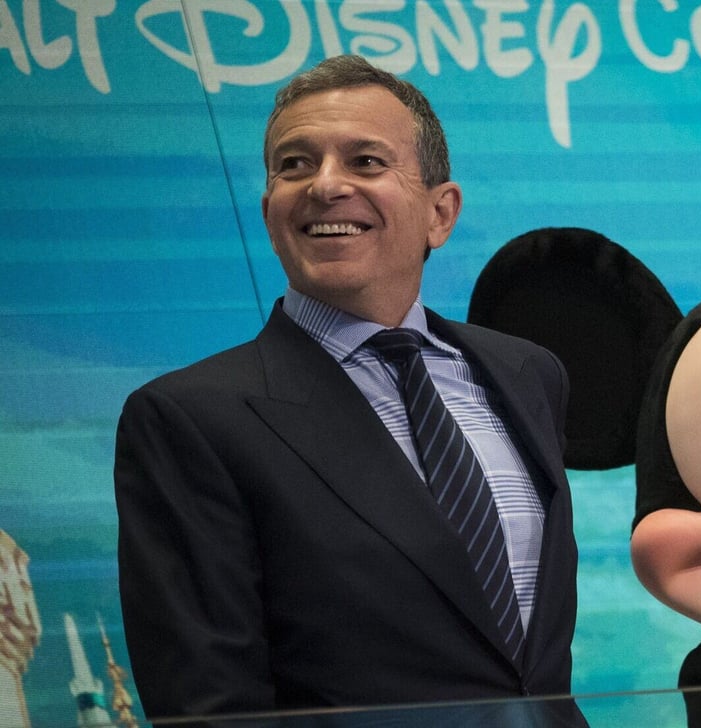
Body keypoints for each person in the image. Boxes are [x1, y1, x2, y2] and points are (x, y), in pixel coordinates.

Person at [114, 55, 582, 723]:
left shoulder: (528, 373)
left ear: (440, 213)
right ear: (270, 210)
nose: (325, 186)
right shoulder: (190, 419)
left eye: (365, 162)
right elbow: (210, 705)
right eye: (295, 164)